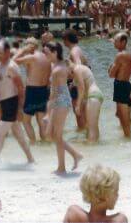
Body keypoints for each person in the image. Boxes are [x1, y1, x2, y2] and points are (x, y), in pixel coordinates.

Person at [0, 41, 34, 168]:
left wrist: (19, 109)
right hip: (4, 103)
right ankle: (31, 159)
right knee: (19, 135)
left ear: (8, 52)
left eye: (0, 53)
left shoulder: (11, 67)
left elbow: (21, 88)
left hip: (11, 103)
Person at [43, 42, 83, 174]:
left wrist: (48, 114)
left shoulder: (57, 69)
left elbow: (53, 93)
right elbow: (74, 73)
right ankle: (73, 157)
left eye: (47, 52)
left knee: (56, 135)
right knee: (52, 135)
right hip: (62, 99)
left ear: (55, 53)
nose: (45, 55)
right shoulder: (59, 64)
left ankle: (65, 164)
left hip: (61, 101)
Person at [13, 37, 51, 144]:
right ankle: (46, 144)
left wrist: (22, 51)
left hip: (32, 91)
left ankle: (33, 143)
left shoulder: (32, 57)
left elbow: (12, 62)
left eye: (26, 44)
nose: (24, 47)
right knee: (41, 120)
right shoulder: (46, 57)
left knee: (26, 121)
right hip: (44, 90)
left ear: (30, 46)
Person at [109, 33, 131, 138]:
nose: (114, 42)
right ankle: (128, 136)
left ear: (123, 42)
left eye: (116, 40)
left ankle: (129, 140)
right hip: (125, 84)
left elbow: (111, 74)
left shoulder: (120, 55)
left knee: (123, 118)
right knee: (122, 115)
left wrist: (111, 68)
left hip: (121, 85)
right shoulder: (127, 54)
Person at [63, 30, 89, 130]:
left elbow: (78, 66)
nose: (63, 42)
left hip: (77, 85)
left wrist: (74, 83)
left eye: (63, 40)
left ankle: (81, 135)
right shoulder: (77, 49)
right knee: (82, 112)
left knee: (78, 113)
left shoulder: (74, 51)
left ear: (67, 40)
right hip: (82, 84)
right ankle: (84, 134)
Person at [72, 63, 103, 143]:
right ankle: (96, 147)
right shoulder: (80, 68)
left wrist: (78, 105)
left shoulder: (76, 70)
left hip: (93, 96)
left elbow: (81, 88)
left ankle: (91, 149)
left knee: (91, 128)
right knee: (93, 127)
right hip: (95, 95)